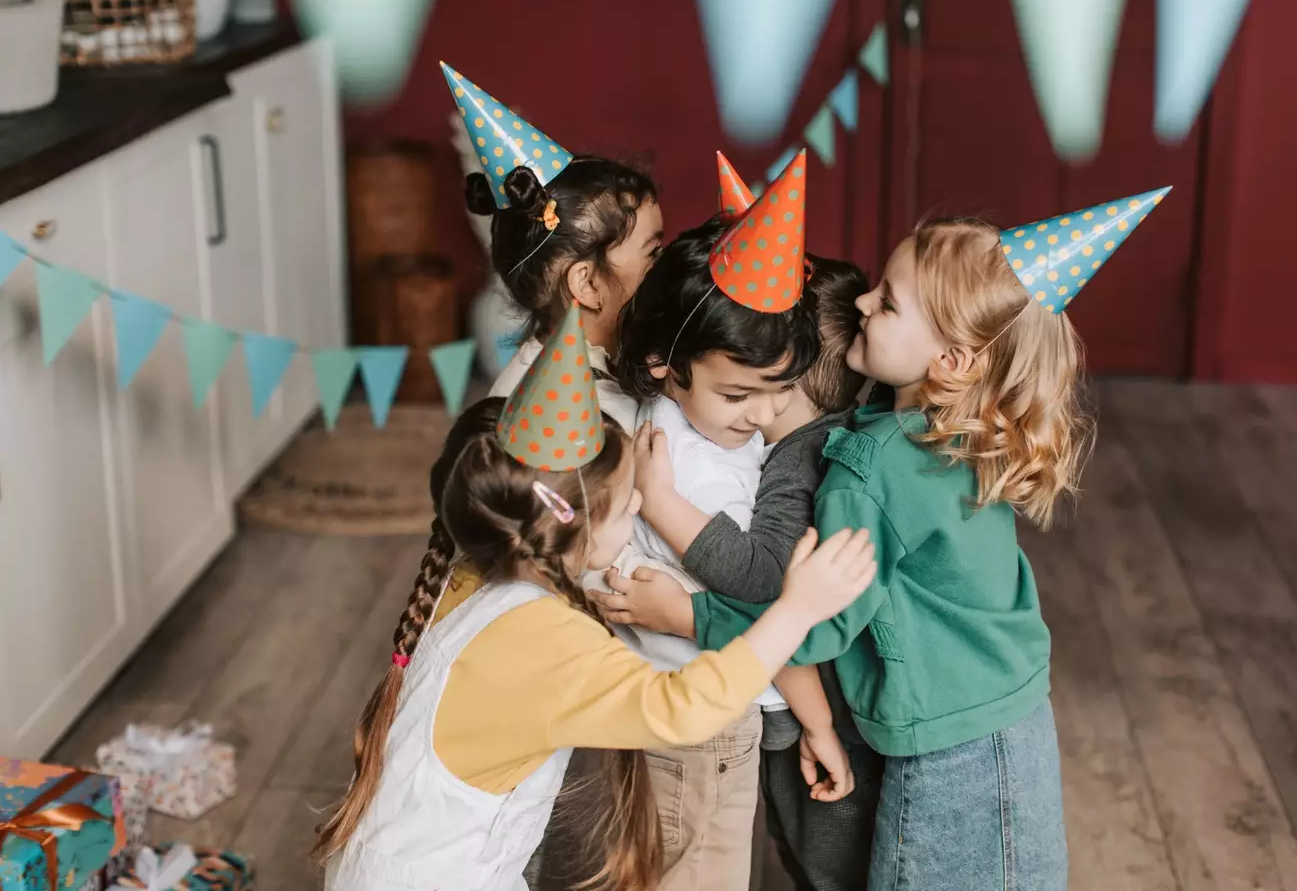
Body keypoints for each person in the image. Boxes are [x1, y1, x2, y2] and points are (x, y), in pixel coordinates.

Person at [600, 188, 1172, 889]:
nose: (864, 303)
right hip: (1013, 717)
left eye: (889, 302)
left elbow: (810, 626)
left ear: (953, 362)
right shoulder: (949, 430)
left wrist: (689, 614)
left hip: (946, 745)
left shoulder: (865, 473)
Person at [314, 303, 877, 891]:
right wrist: (796, 610)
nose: (639, 508)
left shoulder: (472, 582)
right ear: (570, 523)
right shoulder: (545, 637)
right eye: (625, 502)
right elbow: (681, 708)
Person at [595, 198, 882, 891]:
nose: (762, 416)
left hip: (664, 696)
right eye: (740, 396)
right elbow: (758, 592)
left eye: (777, 391)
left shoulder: (676, 418)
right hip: (705, 716)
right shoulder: (698, 475)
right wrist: (816, 723)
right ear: (667, 362)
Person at [444, 62, 664, 432]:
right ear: (588, 284)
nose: (665, 265)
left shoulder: (606, 360)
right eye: (653, 253)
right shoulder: (574, 419)